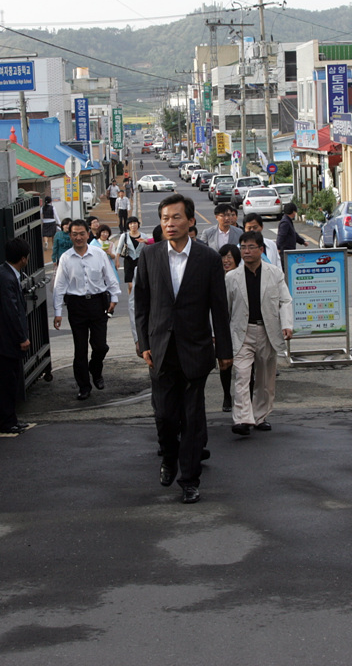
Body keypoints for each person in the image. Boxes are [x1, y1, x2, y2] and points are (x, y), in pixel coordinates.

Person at [135, 193, 232, 504]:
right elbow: (142, 305)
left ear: (191, 221)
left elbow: (219, 308)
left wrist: (224, 351)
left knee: (192, 418)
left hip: (195, 349)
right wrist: (144, 344)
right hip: (160, 350)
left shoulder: (208, 259)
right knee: (164, 415)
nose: (169, 223)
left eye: (176, 217)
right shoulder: (149, 257)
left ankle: (189, 479)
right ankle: (169, 457)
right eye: (164, 218)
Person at [224, 231, 294, 437]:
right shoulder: (231, 277)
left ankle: (260, 416)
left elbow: (285, 300)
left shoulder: (274, 273)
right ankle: (242, 418)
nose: (246, 251)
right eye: (242, 247)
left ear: (261, 249)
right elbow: (224, 309)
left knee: (265, 378)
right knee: (242, 375)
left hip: (266, 330)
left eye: (250, 247)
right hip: (241, 332)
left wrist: (287, 324)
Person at [53, 219, 121, 401]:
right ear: (70, 236)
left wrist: (114, 298)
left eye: (82, 233)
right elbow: (59, 287)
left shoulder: (99, 254)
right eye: (74, 234)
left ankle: (96, 369)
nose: (78, 237)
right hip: (77, 306)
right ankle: (84, 386)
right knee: (80, 349)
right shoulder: (66, 258)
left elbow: (111, 278)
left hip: (98, 303)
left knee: (100, 345)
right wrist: (58, 312)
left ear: (87, 234)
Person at [0, 238, 32, 434]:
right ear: (22, 259)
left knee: (9, 380)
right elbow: (11, 311)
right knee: (7, 381)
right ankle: (5, 421)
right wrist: (22, 337)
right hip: (5, 340)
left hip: (2, 338)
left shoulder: (1, 272)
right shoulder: (7, 278)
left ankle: (10, 418)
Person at [217, 243, 242, 413]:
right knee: (224, 364)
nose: (226, 260)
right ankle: (227, 394)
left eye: (229, 257)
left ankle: (244, 400)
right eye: (223, 257)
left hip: (240, 327)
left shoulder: (242, 277)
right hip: (221, 328)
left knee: (244, 365)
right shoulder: (215, 277)